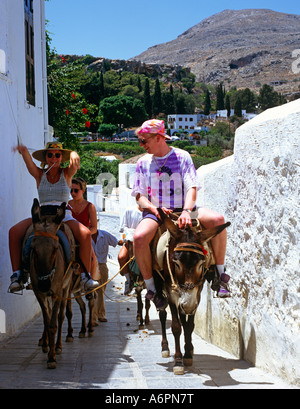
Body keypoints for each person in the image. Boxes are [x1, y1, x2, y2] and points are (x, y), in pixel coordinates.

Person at [132, 119, 230, 310]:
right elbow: (139, 195)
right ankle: (151, 289)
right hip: (156, 213)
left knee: (218, 220)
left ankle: (221, 276)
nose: (142, 145)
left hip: (184, 209)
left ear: (159, 137)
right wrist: (153, 208)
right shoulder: (142, 162)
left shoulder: (182, 156)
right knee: (139, 237)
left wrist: (186, 211)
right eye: (140, 142)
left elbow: (192, 187)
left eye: (145, 141)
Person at [8, 142, 99, 293]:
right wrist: (23, 150)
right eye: (50, 155)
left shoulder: (66, 174)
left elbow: (74, 165)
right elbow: (28, 162)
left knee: (85, 234)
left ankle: (85, 276)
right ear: (45, 158)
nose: (54, 158)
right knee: (14, 232)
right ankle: (18, 275)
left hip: (62, 215)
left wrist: (74, 154)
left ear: (62, 157)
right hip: (43, 214)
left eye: (57, 155)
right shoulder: (39, 174)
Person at [67, 177, 99, 280]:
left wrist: (84, 233)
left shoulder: (90, 206)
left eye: (76, 190)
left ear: (83, 191)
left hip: (83, 239)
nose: (73, 193)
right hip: (69, 237)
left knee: (93, 258)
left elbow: (94, 227)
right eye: (71, 190)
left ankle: (90, 281)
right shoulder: (67, 205)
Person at [92, 229, 123, 323]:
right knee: (93, 292)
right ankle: (93, 318)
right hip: (90, 266)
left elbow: (117, 242)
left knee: (100, 291)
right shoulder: (85, 236)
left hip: (102, 266)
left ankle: (100, 315)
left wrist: (128, 240)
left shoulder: (105, 235)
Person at [118, 206, 143, 295]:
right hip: (130, 242)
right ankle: (128, 280)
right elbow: (123, 227)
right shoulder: (129, 210)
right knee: (121, 257)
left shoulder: (150, 212)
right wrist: (130, 233)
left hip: (144, 243)